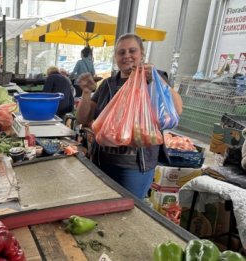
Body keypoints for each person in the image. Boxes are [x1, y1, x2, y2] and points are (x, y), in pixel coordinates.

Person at [75, 33, 183, 199]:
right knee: (104, 205)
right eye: (121, 52)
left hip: (135, 165)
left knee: (130, 210)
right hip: (102, 160)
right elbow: (82, 119)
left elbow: (177, 109)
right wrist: (87, 92)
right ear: (116, 57)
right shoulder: (107, 84)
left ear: (142, 54)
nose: (127, 56)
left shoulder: (154, 79)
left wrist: (155, 80)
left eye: (132, 51)